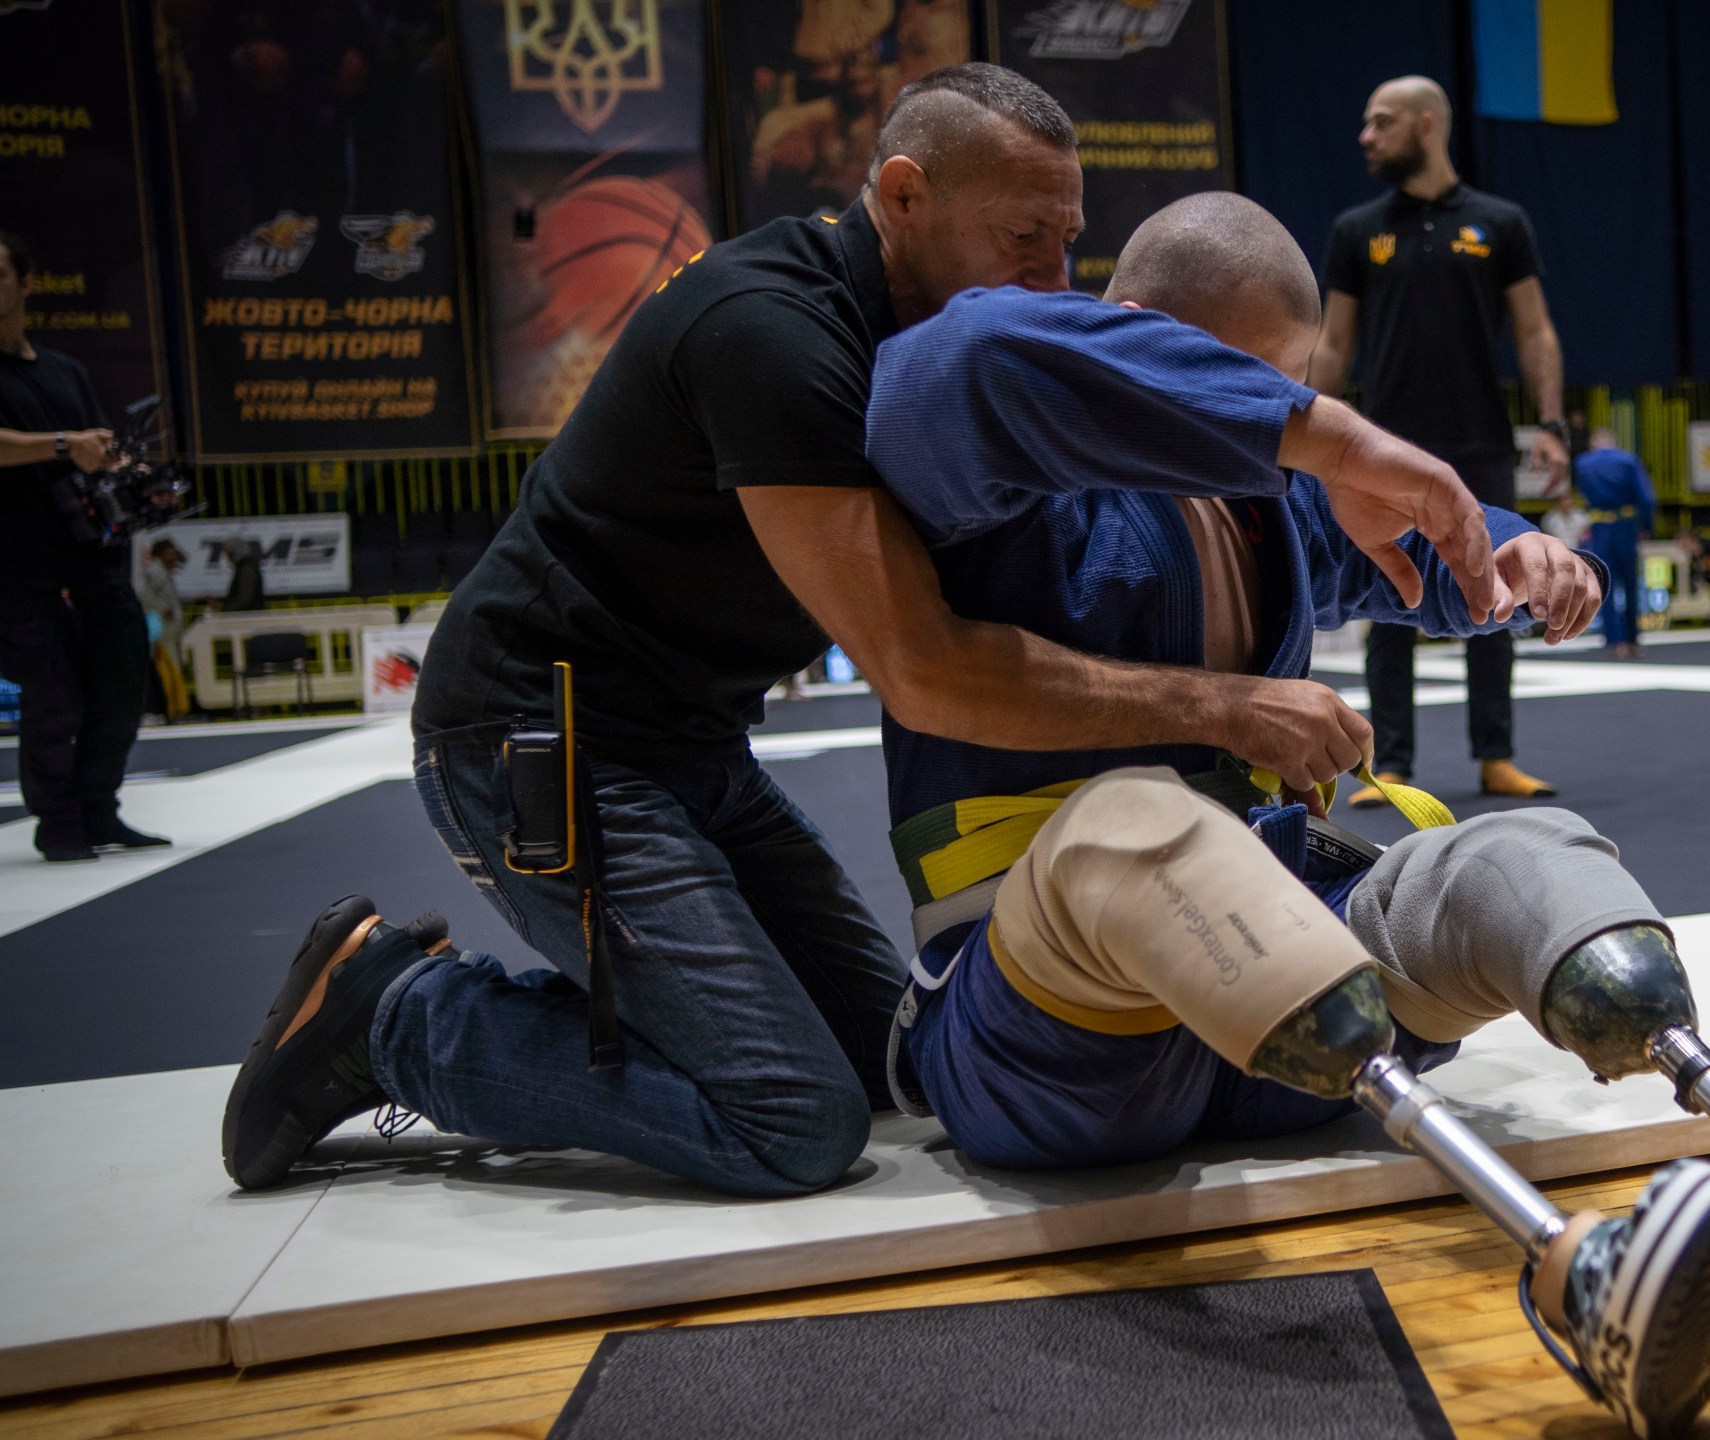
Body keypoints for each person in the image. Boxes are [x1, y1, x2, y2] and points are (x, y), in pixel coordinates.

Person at [860, 194, 1710, 1436]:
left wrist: (1511, 549)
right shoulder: (991, 451)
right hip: (1039, 1036)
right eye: (1257, 399)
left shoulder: (1262, 500)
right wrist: (1318, 454)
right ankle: (1570, 1268)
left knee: (1519, 856)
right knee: (1140, 822)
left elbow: (1409, 538)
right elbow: (963, 351)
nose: (1275, 433)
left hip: (1272, 1037)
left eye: (1293, 394)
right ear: (1129, 328)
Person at [219, 65, 1496, 1200]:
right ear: (901, 194)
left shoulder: (929, 335)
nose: (1057, 282)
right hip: (537, 739)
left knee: (901, 1061)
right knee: (789, 1123)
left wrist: (1431, 522)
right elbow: (929, 673)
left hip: (696, 747)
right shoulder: (772, 334)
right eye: (1023, 238)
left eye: (1070, 243)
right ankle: (397, 1014)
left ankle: (648, 1020)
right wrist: (1224, 698)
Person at [1312, 75, 1571, 805]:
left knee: (1498, 589)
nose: (1367, 136)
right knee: (1389, 593)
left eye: (1380, 122)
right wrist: (1312, 442)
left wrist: (1550, 425)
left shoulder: (1499, 223)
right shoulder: (1357, 231)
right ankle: (1390, 762)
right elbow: (1332, 344)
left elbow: (1534, 329)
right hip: (1384, 445)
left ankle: (1497, 755)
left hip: (1478, 440)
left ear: (1427, 126)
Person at [0, 228, 168, 863]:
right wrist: (67, 443)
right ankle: (60, 821)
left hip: (94, 554)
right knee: (53, 697)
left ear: (26, 282)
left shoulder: (64, 370)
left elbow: (97, 458)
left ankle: (102, 808)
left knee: (122, 683)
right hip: (21, 567)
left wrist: (131, 480)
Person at [1572, 427, 1654, 658]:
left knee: (1603, 585)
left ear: (1594, 443)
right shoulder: (1628, 460)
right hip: (1626, 525)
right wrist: (1646, 527)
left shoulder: (1583, 463)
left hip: (1600, 527)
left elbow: (1584, 493)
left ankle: (1615, 642)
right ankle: (1634, 639)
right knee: (1630, 584)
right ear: (1613, 442)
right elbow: (1646, 497)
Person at [135, 538, 192, 718]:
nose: (174, 556)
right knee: (167, 668)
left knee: (173, 667)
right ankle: (170, 708)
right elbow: (142, 592)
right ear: (161, 553)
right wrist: (162, 609)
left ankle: (175, 708)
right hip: (163, 630)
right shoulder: (155, 570)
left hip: (170, 630)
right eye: (170, 551)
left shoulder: (162, 571)